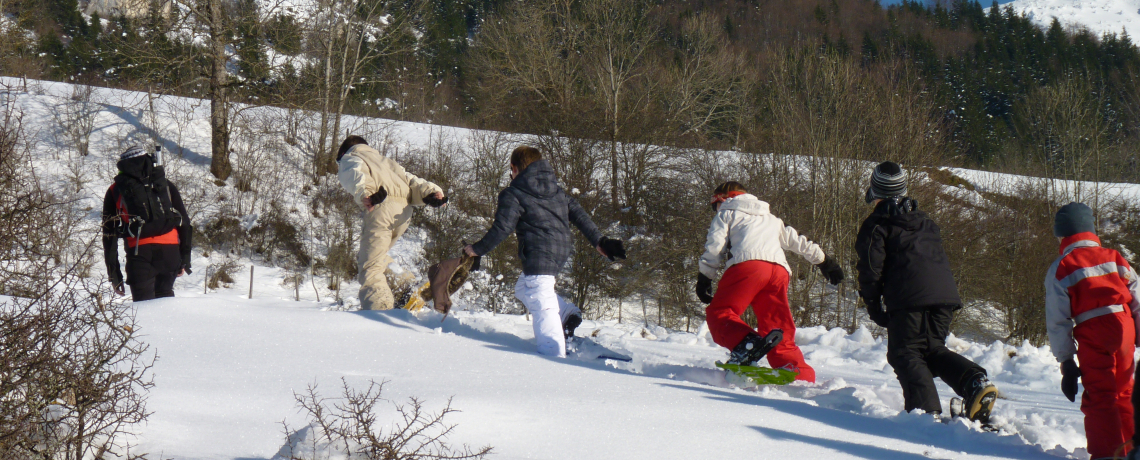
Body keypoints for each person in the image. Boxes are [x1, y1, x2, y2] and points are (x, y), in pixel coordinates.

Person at [855, 161, 997, 420]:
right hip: (944, 296)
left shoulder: (876, 226)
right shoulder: (925, 221)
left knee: (905, 353)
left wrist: (874, 307)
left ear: (875, 192)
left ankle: (925, 415)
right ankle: (974, 381)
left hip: (910, 299)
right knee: (931, 350)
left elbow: (871, 271)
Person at [463, 145, 625, 357]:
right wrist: (600, 241)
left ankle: (553, 354)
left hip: (540, 252)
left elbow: (502, 229)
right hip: (561, 249)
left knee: (541, 300)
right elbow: (579, 215)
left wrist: (476, 250)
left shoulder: (515, 193)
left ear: (514, 167)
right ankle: (565, 313)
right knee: (523, 288)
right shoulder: (556, 191)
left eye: (510, 171)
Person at [696, 181, 843, 383]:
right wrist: (825, 261)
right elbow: (799, 241)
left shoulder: (726, 213)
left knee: (720, 313)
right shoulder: (771, 218)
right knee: (777, 325)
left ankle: (745, 344)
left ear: (723, 199)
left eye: (715, 205)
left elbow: (715, 246)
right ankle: (797, 371)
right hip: (778, 271)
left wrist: (705, 277)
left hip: (748, 266)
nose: (715, 210)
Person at [1045, 202, 1140, 460]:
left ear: (1063, 236)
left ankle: (1106, 455)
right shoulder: (1115, 257)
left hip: (1093, 331)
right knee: (1125, 391)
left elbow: (1058, 320)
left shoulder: (1062, 266)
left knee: (1101, 395)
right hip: (1125, 325)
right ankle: (1133, 451)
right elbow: (1136, 295)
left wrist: (1066, 361)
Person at [337, 135, 448, 310]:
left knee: (370, 268)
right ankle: (406, 286)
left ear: (343, 151)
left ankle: (379, 311)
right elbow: (412, 180)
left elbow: (355, 174)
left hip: (380, 208)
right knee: (376, 256)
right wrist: (432, 193)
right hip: (404, 213)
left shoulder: (351, 157)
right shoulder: (387, 162)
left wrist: (365, 194)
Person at [102, 145, 193, 301]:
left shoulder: (115, 190)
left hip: (139, 253)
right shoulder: (164, 184)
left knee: (143, 310)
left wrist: (114, 274)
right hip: (170, 252)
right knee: (166, 305)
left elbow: (109, 235)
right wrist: (185, 258)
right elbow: (184, 222)